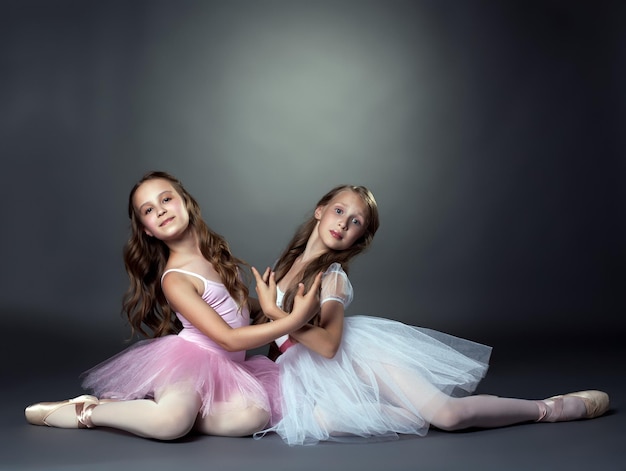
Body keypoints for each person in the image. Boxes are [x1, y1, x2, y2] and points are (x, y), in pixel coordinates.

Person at [250, 184, 610, 446]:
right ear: (320, 209)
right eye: (340, 211)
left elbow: (328, 345)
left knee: (447, 416)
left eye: (356, 222)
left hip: (352, 355)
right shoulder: (289, 262)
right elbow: (270, 331)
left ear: (359, 239)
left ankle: (547, 409)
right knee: (322, 421)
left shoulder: (333, 278)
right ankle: (409, 414)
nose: (343, 223)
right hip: (300, 370)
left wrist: (272, 311)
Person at [24, 171, 322, 440]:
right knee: (172, 423)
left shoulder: (214, 257)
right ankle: (89, 412)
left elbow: (237, 309)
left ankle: (165, 412)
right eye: (149, 210)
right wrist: (295, 319)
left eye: (166, 199)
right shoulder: (176, 278)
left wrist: (271, 307)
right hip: (189, 364)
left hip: (229, 369)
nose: (161, 209)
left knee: (253, 417)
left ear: (186, 203)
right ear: (148, 230)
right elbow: (228, 338)